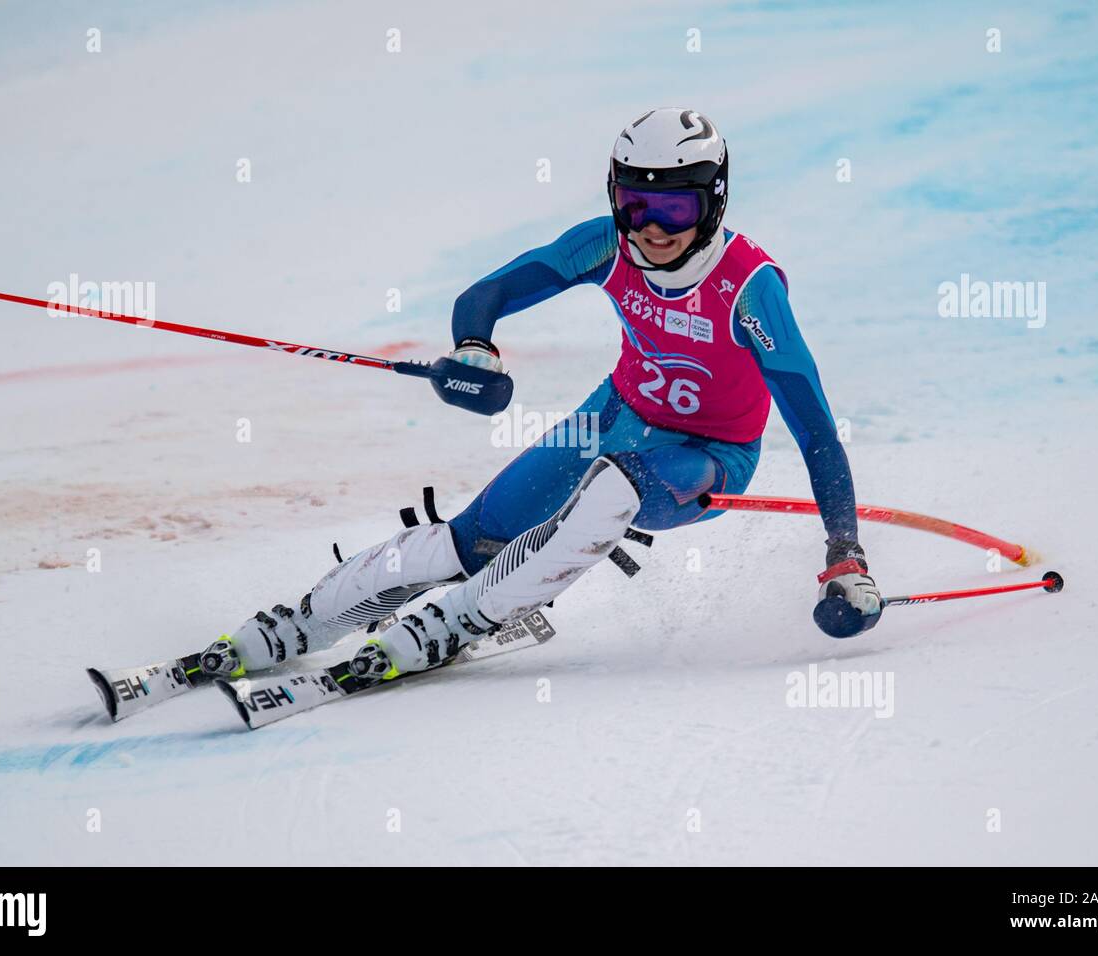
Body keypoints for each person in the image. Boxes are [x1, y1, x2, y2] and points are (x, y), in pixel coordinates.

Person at [197, 107, 882, 687]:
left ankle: (466, 617)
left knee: (615, 487)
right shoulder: (605, 246)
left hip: (708, 458)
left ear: (715, 201)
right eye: (635, 204)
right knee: (473, 537)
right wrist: (474, 351)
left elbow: (815, 427)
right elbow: (484, 297)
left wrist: (843, 550)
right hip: (615, 417)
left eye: (675, 206)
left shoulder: (750, 288)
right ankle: (310, 618)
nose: (652, 226)